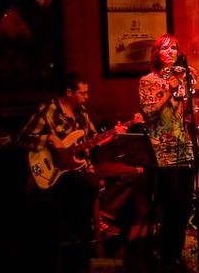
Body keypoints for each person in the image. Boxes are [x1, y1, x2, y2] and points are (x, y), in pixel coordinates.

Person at [18, 71, 128, 273]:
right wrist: (49, 138)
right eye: (83, 93)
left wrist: (112, 135)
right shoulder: (49, 110)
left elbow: (93, 138)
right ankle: (82, 235)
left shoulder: (81, 112)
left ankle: (95, 225)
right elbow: (23, 137)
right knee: (87, 186)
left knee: (124, 174)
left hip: (79, 167)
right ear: (69, 92)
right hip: (55, 171)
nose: (87, 96)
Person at [138, 33, 196, 272]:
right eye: (165, 48)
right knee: (171, 204)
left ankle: (176, 254)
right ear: (157, 54)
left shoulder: (181, 78)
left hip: (183, 144)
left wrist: (187, 85)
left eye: (174, 48)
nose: (170, 52)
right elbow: (149, 113)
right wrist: (169, 91)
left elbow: (185, 112)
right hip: (161, 148)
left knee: (185, 205)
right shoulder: (147, 80)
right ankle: (165, 256)